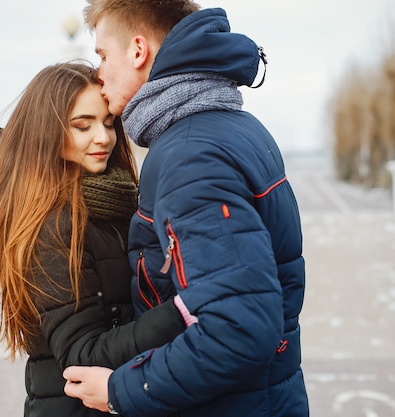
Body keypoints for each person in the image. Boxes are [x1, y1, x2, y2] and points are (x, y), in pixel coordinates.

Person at [63, 2, 310, 416]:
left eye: (104, 55)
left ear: (138, 51)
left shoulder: (189, 155)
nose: (99, 72)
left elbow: (239, 328)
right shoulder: (233, 126)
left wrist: (122, 388)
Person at [0, 62, 191, 417]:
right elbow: (81, 355)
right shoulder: (49, 223)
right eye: (83, 126)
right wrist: (182, 313)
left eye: (108, 123)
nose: (103, 137)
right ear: (45, 133)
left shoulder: (108, 198)